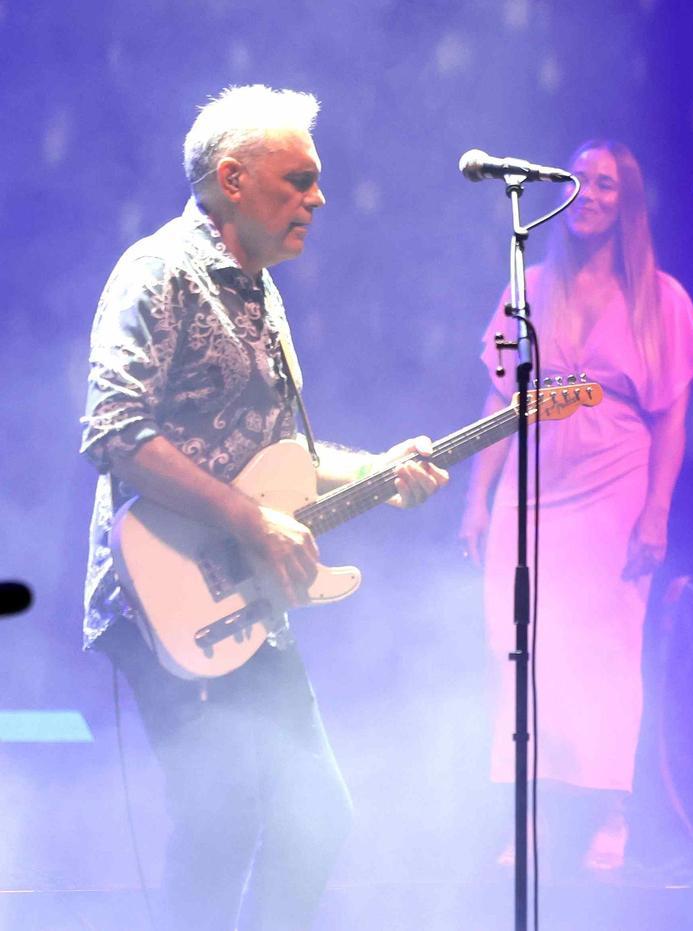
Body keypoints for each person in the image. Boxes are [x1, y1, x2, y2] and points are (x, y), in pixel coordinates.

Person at [80, 85, 448, 931]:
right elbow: (113, 431)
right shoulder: (157, 272)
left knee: (316, 813)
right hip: (161, 602)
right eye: (299, 179)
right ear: (232, 179)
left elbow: (279, 461)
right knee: (221, 823)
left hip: (249, 602)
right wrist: (249, 521)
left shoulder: (260, 292)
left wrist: (381, 467)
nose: (318, 198)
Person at [458, 139, 693, 871]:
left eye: (606, 185)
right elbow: (498, 400)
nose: (591, 195)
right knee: (523, 647)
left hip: (614, 488)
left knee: (604, 650)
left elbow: (672, 420)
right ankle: (526, 814)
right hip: (530, 493)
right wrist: (476, 501)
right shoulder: (528, 284)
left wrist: (657, 512)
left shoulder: (660, 298)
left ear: (627, 203)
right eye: (581, 183)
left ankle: (610, 808)